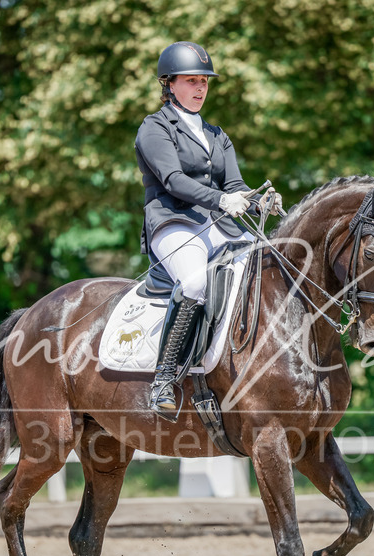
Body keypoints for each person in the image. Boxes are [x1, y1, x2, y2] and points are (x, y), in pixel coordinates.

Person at [135, 41, 281, 419]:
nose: (200, 88)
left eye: (204, 82)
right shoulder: (154, 128)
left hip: (216, 225)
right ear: (169, 84)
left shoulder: (217, 135)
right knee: (196, 283)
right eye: (191, 81)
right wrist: (220, 201)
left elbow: (234, 186)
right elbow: (173, 180)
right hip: (173, 221)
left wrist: (257, 201)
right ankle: (163, 381)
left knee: (268, 266)